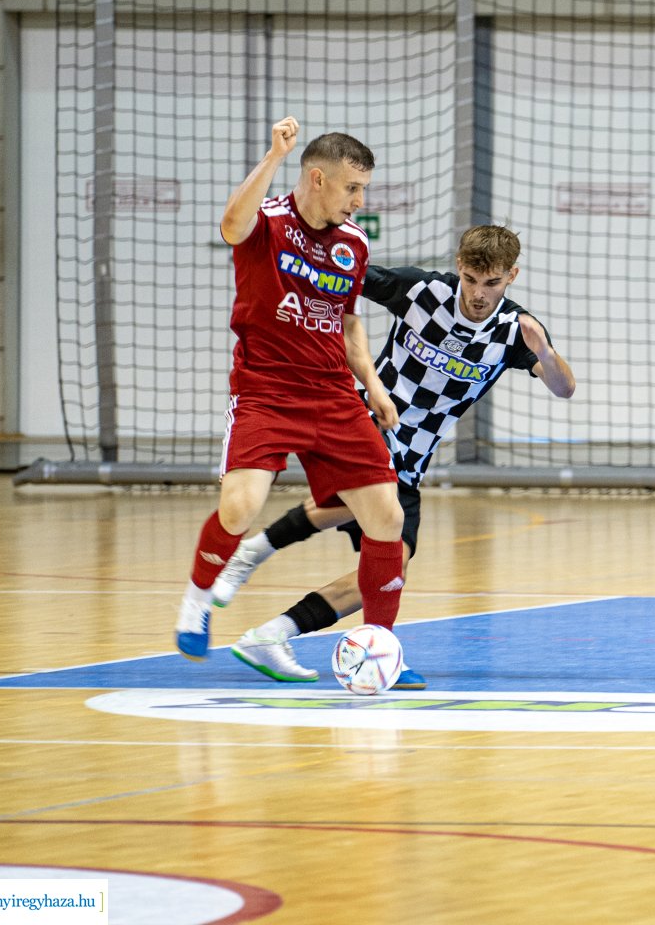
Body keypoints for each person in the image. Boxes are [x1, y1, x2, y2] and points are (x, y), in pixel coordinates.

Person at [212, 224, 577, 685]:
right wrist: (292, 258)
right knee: (373, 512)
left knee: (390, 567)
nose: (478, 294)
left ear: (512, 276)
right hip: (369, 423)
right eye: (470, 279)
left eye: (492, 283)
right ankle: (258, 560)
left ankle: (273, 634)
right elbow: (347, 279)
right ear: (459, 267)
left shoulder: (515, 331)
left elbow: (565, 388)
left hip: (413, 458)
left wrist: (544, 350)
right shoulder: (422, 290)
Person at [175, 119, 407, 661]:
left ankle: (381, 646)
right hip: (267, 390)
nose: (359, 200)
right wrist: (274, 156)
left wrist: (372, 385)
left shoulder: (353, 242)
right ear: (318, 178)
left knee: (387, 518)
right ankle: (196, 601)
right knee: (240, 508)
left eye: (364, 189)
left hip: (333, 394)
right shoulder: (269, 222)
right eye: (353, 187)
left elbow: (348, 321)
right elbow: (231, 223)